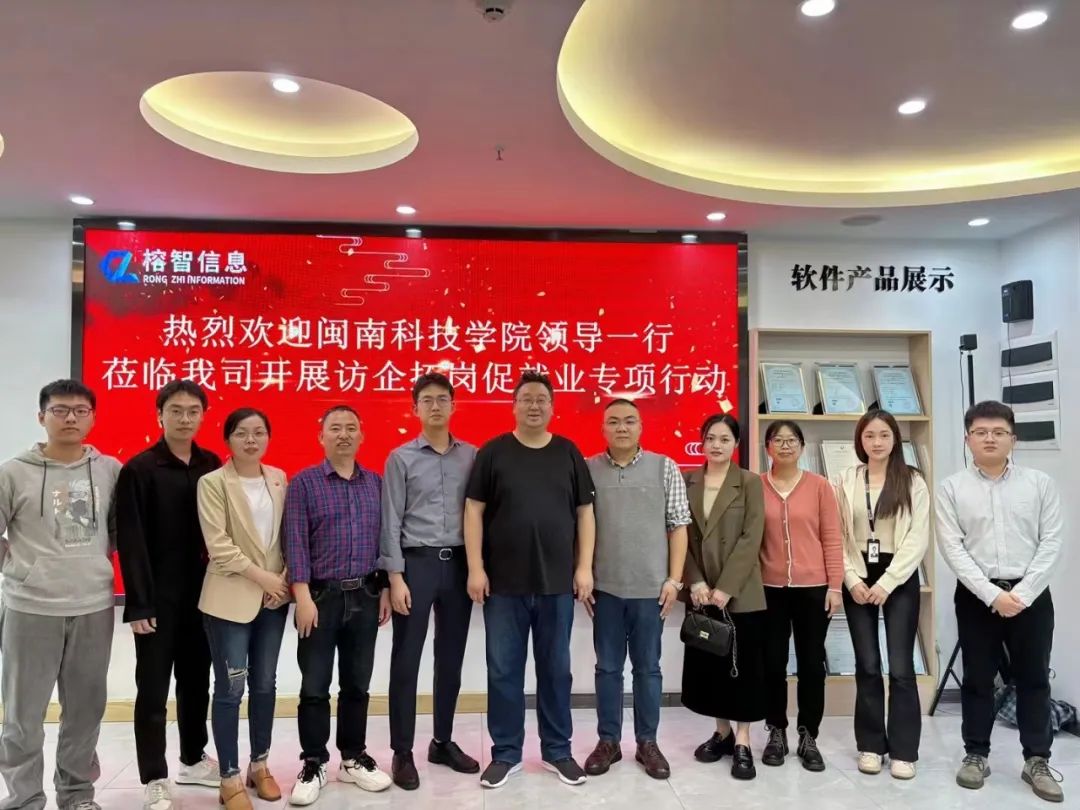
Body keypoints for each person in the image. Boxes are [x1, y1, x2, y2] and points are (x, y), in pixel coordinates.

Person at [464, 370, 596, 789]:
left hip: (557, 584)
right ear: (514, 406)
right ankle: (506, 753)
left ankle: (558, 750)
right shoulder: (493, 452)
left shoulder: (568, 452)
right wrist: (475, 567)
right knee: (503, 671)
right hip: (503, 585)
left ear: (552, 407)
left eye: (542, 399)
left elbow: (585, 513)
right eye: (527, 398)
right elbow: (473, 511)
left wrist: (584, 567)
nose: (534, 405)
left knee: (556, 670)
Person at [0, 379, 121, 810]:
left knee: (85, 711)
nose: (70, 418)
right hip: (31, 608)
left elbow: (123, 532)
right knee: (23, 715)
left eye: (80, 410)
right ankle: (24, 798)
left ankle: (76, 795)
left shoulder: (110, 470)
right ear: (41, 417)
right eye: (60, 410)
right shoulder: (13, 472)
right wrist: (20, 570)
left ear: (92, 418)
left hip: (93, 606)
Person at [936, 401, 1064, 803]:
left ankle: (1037, 760)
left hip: (1031, 594)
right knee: (977, 677)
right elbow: (953, 549)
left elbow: (1052, 542)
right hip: (977, 596)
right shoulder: (951, 488)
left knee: (1034, 677)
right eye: (980, 432)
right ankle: (976, 754)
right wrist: (992, 595)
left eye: (998, 432)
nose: (989, 438)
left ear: (1013, 439)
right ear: (967, 439)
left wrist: (1021, 595)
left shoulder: (1040, 484)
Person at [116, 379, 222, 810]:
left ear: (203, 416)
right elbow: (132, 541)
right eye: (175, 410)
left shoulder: (212, 464)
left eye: (193, 411)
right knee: (153, 689)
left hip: (203, 595)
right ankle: (154, 776)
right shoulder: (139, 469)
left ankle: (193, 759)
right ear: (159, 415)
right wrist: (139, 602)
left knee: (197, 683)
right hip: (158, 599)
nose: (184, 418)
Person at [284, 404, 392, 806]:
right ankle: (313, 762)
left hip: (365, 594)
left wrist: (383, 588)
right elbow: (295, 542)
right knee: (314, 686)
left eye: (350, 428)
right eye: (335, 428)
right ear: (321, 437)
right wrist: (302, 596)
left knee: (357, 684)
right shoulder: (304, 484)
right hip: (320, 598)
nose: (343, 434)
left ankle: (352, 757)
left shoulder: (376, 484)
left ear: (362, 436)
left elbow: (385, 540)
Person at [380, 373, 480, 790]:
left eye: (442, 399)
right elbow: (390, 520)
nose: (435, 406)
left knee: (450, 657)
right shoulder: (400, 458)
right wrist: (395, 577)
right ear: (415, 409)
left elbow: (480, 514)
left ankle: (442, 741)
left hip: (459, 565)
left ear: (454, 406)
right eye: (427, 400)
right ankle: (402, 751)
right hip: (415, 566)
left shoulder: (473, 456)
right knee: (406, 659)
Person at [582, 399, 690, 781]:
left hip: (650, 590)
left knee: (648, 669)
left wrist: (674, 580)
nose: (622, 428)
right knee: (607, 669)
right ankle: (608, 741)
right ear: (603, 428)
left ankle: (648, 743)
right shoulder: (588, 469)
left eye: (629, 421)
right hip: (605, 589)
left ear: (641, 427)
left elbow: (678, 525)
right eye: (613, 422)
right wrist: (583, 574)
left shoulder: (665, 467)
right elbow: (579, 525)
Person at [196, 408, 290, 810]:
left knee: (265, 684)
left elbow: (289, 536)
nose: (251, 440)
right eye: (241, 433)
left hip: (274, 599)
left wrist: (283, 579)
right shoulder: (212, 483)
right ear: (228, 439)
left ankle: (260, 764)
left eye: (258, 433)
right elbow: (218, 546)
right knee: (231, 688)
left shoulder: (279, 478)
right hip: (229, 599)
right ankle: (229, 776)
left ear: (268, 437)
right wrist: (265, 578)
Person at [834, 410, 929, 780]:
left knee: (901, 667)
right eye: (869, 435)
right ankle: (871, 746)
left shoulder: (912, 480)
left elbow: (918, 537)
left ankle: (904, 751)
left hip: (898, 576)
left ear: (895, 440)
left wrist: (887, 582)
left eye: (884, 435)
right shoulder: (846, 479)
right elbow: (836, 534)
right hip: (858, 573)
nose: (876, 442)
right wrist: (851, 579)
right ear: (860, 440)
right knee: (868, 665)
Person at [680, 414, 767, 781]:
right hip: (701, 592)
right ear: (702, 441)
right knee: (711, 664)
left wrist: (726, 586)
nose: (716, 445)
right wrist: (695, 581)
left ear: (736, 444)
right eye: (710, 438)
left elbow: (752, 536)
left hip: (740, 591)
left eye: (724, 439)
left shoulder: (749, 482)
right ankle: (722, 732)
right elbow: (678, 534)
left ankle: (743, 739)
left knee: (741, 666)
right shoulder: (687, 480)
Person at [759, 419, 842, 772]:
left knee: (811, 664)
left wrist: (835, 586)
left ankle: (809, 735)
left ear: (802, 447)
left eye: (792, 440)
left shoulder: (820, 486)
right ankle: (776, 730)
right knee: (772, 663)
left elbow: (832, 538)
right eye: (778, 440)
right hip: (769, 590)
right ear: (768, 448)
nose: (785, 445)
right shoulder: (756, 486)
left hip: (813, 589)